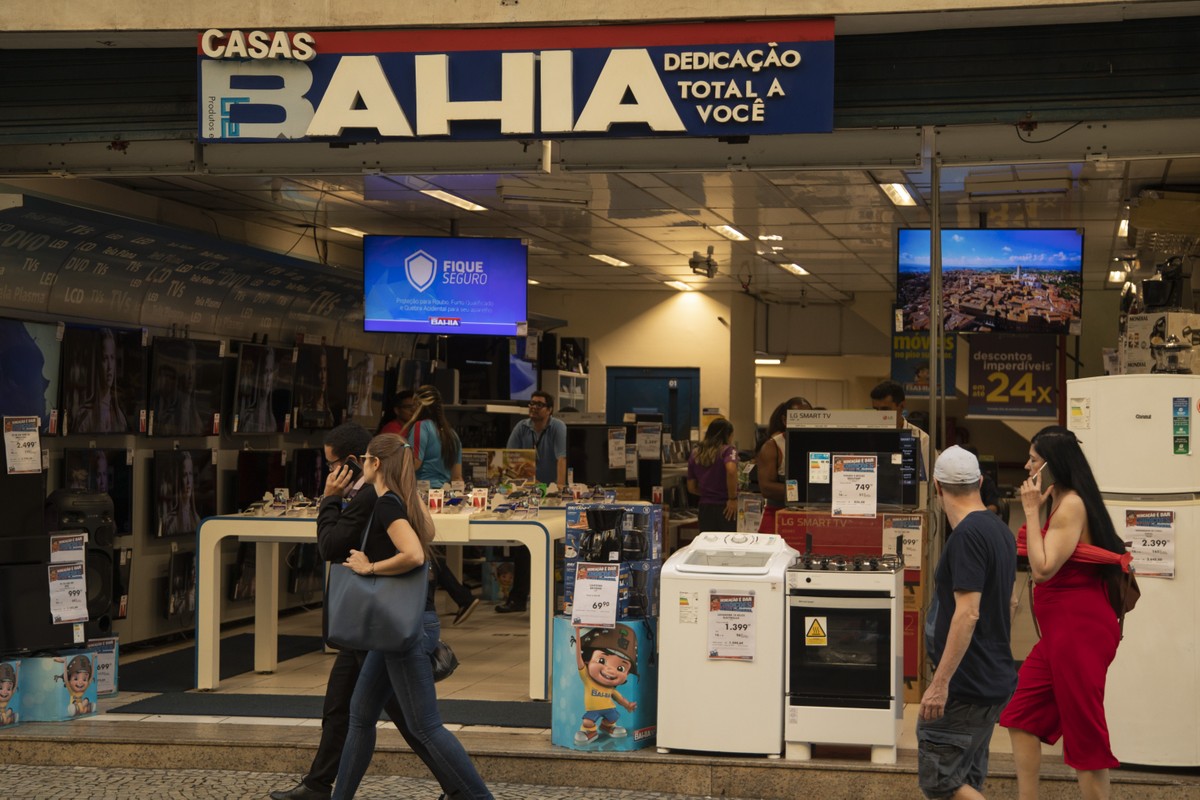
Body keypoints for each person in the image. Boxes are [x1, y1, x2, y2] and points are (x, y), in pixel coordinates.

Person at [270, 423, 449, 800]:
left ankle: (462, 788)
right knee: (349, 710)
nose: (329, 473)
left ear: (358, 462)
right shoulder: (387, 494)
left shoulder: (373, 497)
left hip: (379, 620)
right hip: (373, 620)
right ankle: (321, 786)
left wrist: (329, 500)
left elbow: (330, 545)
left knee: (411, 721)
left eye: (332, 464)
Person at [330, 433, 493, 800]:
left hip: (405, 628)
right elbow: (427, 538)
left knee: (425, 726)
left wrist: (369, 566)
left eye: (365, 462)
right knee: (360, 715)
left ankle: (479, 797)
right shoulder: (404, 500)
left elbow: (415, 555)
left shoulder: (387, 504)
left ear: (374, 463)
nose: (361, 468)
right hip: (398, 626)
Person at [1000, 426, 1129, 800]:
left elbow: (1042, 568)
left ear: (1053, 464)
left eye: (1034, 459)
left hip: (1079, 630)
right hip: (1061, 631)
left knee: (1084, 736)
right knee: (1021, 715)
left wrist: (1028, 509)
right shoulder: (1058, 496)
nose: (1027, 465)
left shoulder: (1071, 504)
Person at [917, 445, 1018, 800]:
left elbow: (968, 612)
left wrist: (940, 683)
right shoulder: (999, 530)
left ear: (937, 488)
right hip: (991, 677)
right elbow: (1010, 601)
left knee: (941, 782)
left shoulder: (967, 537)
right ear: (979, 481)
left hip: (965, 686)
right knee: (968, 778)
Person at [403, 384, 479, 625]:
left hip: (418, 497)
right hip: (443, 499)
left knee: (422, 552)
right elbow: (457, 476)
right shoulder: (451, 434)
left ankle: (452, 600)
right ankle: (450, 600)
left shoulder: (417, 428)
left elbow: (413, 464)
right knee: (429, 552)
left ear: (419, 405)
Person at [497, 390, 567, 614]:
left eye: (539, 404)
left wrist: (559, 488)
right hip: (528, 493)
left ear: (549, 409)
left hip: (551, 494)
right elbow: (511, 459)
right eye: (532, 403)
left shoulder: (557, 427)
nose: (534, 407)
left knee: (553, 548)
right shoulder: (522, 428)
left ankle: (550, 601)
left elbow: (561, 459)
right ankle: (517, 600)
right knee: (522, 547)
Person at [755, 396, 812, 534]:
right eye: (798, 417)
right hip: (777, 515)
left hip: (811, 517)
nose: (803, 423)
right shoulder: (772, 446)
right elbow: (766, 488)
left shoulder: (818, 443)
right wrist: (805, 492)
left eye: (808, 417)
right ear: (785, 420)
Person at [871, 379, 933, 503]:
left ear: (902, 406)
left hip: (907, 504)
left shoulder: (921, 439)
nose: (879, 416)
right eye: (875, 410)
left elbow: (931, 483)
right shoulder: (868, 435)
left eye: (885, 410)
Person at [687, 418, 739, 533]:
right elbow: (731, 470)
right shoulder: (728, 450)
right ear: (728, 435)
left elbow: (691, 487)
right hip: (726, 507)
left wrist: (709, 493)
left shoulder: (696, 452)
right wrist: (732, 498)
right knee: (727, 545)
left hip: (705, 507)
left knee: (708, 546)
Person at [72, 327, 128, 433]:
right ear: (97, 363)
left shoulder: (120, 417)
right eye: (104, 359)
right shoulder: (85, 415)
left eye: (112, 358)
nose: (109, 366)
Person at [240, 345, 280, 433]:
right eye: (266, 371)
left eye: (271, 372)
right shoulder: (248, 417)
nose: (269, 378)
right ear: (259, 374)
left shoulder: (272, 420)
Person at [165, 451, 201, 536]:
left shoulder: (197, 520)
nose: (188, 481)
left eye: (190, 474)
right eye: (185, 475)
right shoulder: (170, 522)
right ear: (178, 479)